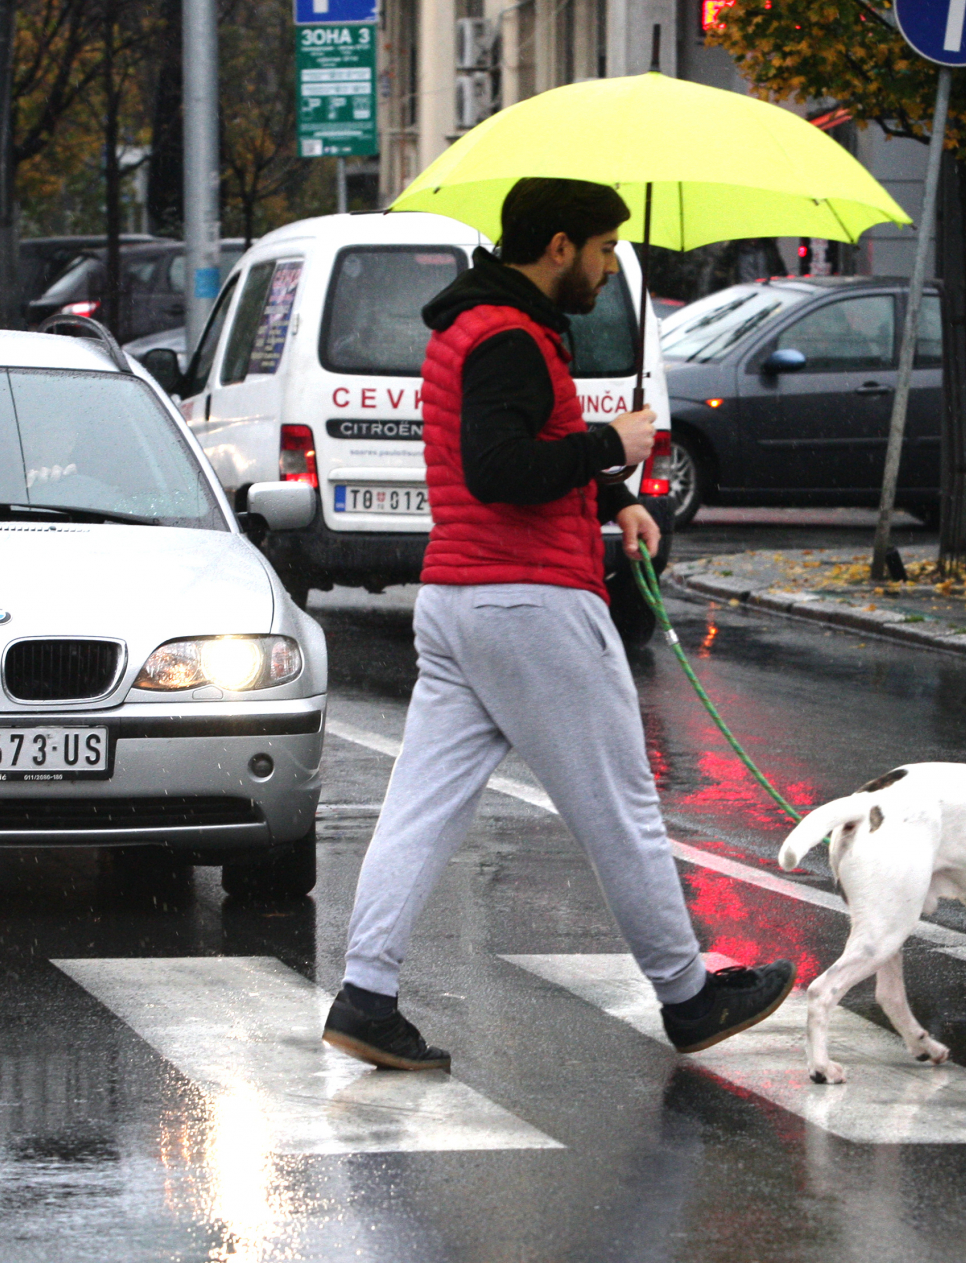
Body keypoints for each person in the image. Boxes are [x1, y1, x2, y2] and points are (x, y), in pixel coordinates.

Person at [323, 177, 795, 1071]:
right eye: (604, 248)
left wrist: (615, 498)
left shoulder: (479, 325)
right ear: (558, 247)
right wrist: (613, 446)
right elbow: (499, 467)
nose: (610, 266)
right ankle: (689, 996)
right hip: (531, 598)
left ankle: (366, 995)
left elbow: (528, 443)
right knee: (621, 806)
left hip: (459, 599)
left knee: (420, 810)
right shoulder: (508, 337)